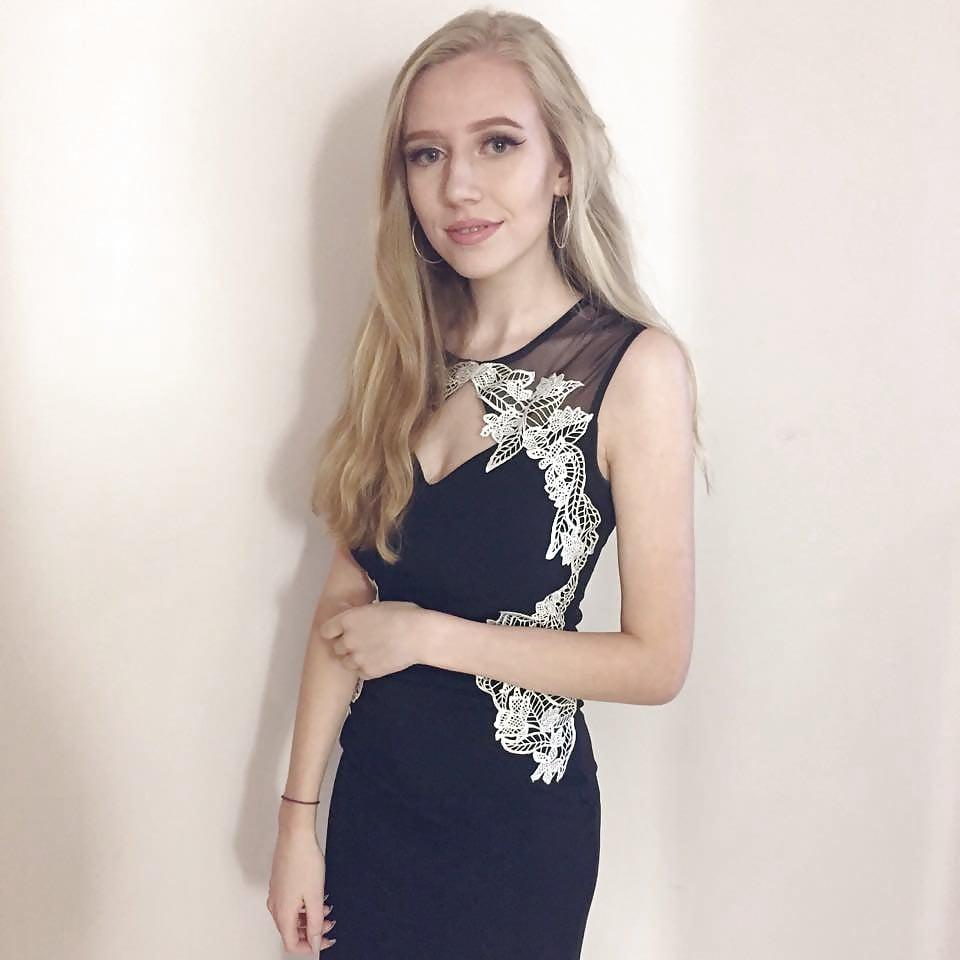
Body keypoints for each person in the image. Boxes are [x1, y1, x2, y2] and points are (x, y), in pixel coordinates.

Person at [266, 7, 706, 957]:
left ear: (562, 165)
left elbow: (654, 663)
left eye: (497, 143)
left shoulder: (634, 371)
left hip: (516, 840)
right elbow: (343, 602)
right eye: (426, 154)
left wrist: (428, 636)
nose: (457, 185)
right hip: (373, 811)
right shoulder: (402, 353)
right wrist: (297, 821)